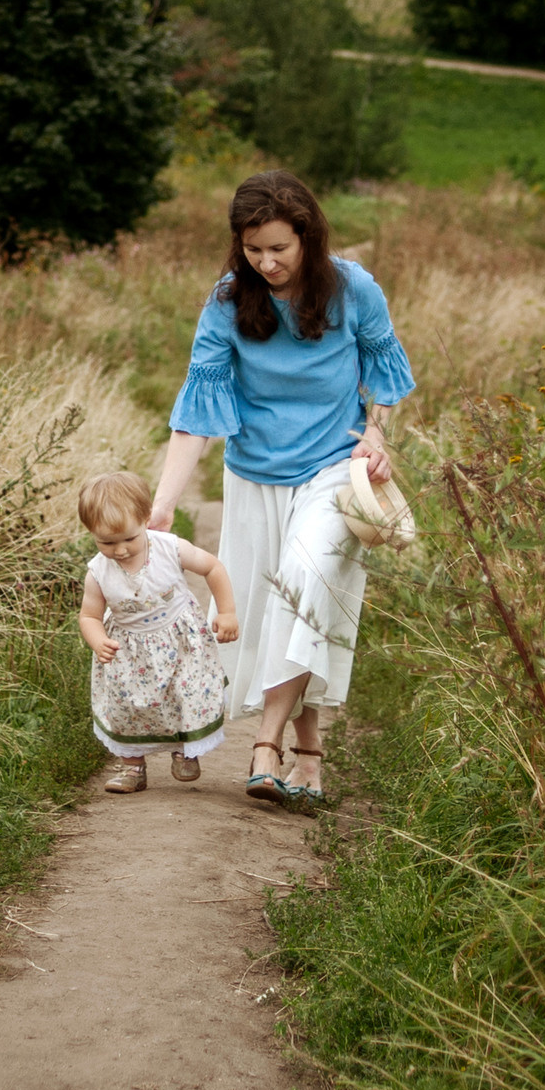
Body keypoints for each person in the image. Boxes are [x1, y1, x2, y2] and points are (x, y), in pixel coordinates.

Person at [149, 170, 413, 811]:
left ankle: (265, 744)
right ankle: (310, 750)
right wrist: (163, 504)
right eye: (252, 249)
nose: (266, 263)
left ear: (308, 238)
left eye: (279, 248)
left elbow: (384, 373)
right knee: (277, 612)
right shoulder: (227, 302)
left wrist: (375, 434)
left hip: (332, 469)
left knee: (303, 580)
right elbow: (196, 414)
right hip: (253, 475)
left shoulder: (353, 289)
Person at [77, 470, 241, 795]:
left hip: (180, 641)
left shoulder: (169, 548)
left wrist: (227, 612)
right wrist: (97, 640)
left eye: (129, 539)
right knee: (128, 706)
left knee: (185, 692)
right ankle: (132, 766)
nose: (120, 550)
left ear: (146, 519)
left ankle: (184, 750)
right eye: (107, 542)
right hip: (129, 649)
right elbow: (89, 615)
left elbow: (212, 567)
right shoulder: (98, 572)